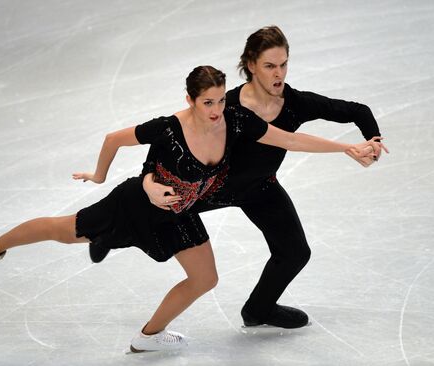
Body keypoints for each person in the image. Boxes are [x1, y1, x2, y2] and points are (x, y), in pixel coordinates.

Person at [0, 65, 380, 352]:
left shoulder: (237, 120)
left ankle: (148, 338)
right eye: (207, 102)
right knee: (67, 230)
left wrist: (347, 148)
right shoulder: (169, 128)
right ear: (192, 100)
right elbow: (114, 139)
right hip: (138, 204)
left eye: (219, 101)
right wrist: (108, 178)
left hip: (179, 213)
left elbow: (289, 139)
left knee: (205, 278)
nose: (216, 111)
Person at [140, 26, 389, 329]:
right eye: (270, 66)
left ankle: (259, 310)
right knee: (140, 215)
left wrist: (373, 142)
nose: (279, 74)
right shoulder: (225, 106)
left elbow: (356, 110)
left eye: (283, 64)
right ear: (250, 65)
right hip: (210, 187)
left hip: (260, 187)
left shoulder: (296, 103)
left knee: (295, 252)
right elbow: (173, 133)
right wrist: (150, 177)